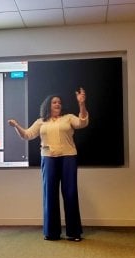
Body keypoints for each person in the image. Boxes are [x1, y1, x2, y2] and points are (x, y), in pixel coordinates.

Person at [8, 88, 89, 242]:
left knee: (70, 194)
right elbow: (27, 135)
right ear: (48, 106)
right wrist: (16, 126)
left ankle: (73, 233)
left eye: (59, 102)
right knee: (49, 195)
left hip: (68, 158)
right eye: (54, 102)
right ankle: (51, 233)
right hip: (48, 159)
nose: (57, 104)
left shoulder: (68, 118)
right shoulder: (41, 122)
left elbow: (82, 122)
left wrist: (82, 104)